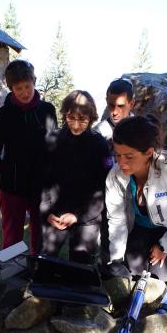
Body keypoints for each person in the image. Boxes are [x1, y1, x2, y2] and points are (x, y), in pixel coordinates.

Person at [105, 115, 167, 282]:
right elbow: (116, 219)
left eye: (129, 156)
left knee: (156, 278)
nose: (121, 163)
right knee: (133, 269)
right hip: (140, 225)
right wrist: (116, 259)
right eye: (118, 155)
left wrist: (164, 246)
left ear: (149, 153)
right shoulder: (115, 176)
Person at [0, 60, 57, 255]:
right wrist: (10, 171)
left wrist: (49, 176)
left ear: (34, 82)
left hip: (40, 188)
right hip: (12, 189)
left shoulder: (47, 111)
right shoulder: (3, 115)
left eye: (28, 86)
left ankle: (39, 275)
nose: (25, 92)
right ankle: (9, 280)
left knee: (40, 238)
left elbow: (53, 147)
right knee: (11, 240)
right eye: (19, 89)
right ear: (11, 88)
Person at [40, 90, 113, 264]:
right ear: (65, 114)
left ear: (92, 117)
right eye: (71, 117)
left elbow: (102, 187)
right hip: (55, 214)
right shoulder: (52, 140)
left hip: (87, 218)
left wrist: (78, 215)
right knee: (44, 262)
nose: (76, 124)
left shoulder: (99, 144)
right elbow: (43, 180)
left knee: (81, 267)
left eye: (82, 119)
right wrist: (46, 212)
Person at [94, 78, 135, 146]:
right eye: (111, 105)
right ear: (107, 101)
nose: (115, 112)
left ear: (131, 104)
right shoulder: (97, 134)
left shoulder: (144, 130)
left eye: (121, 106)